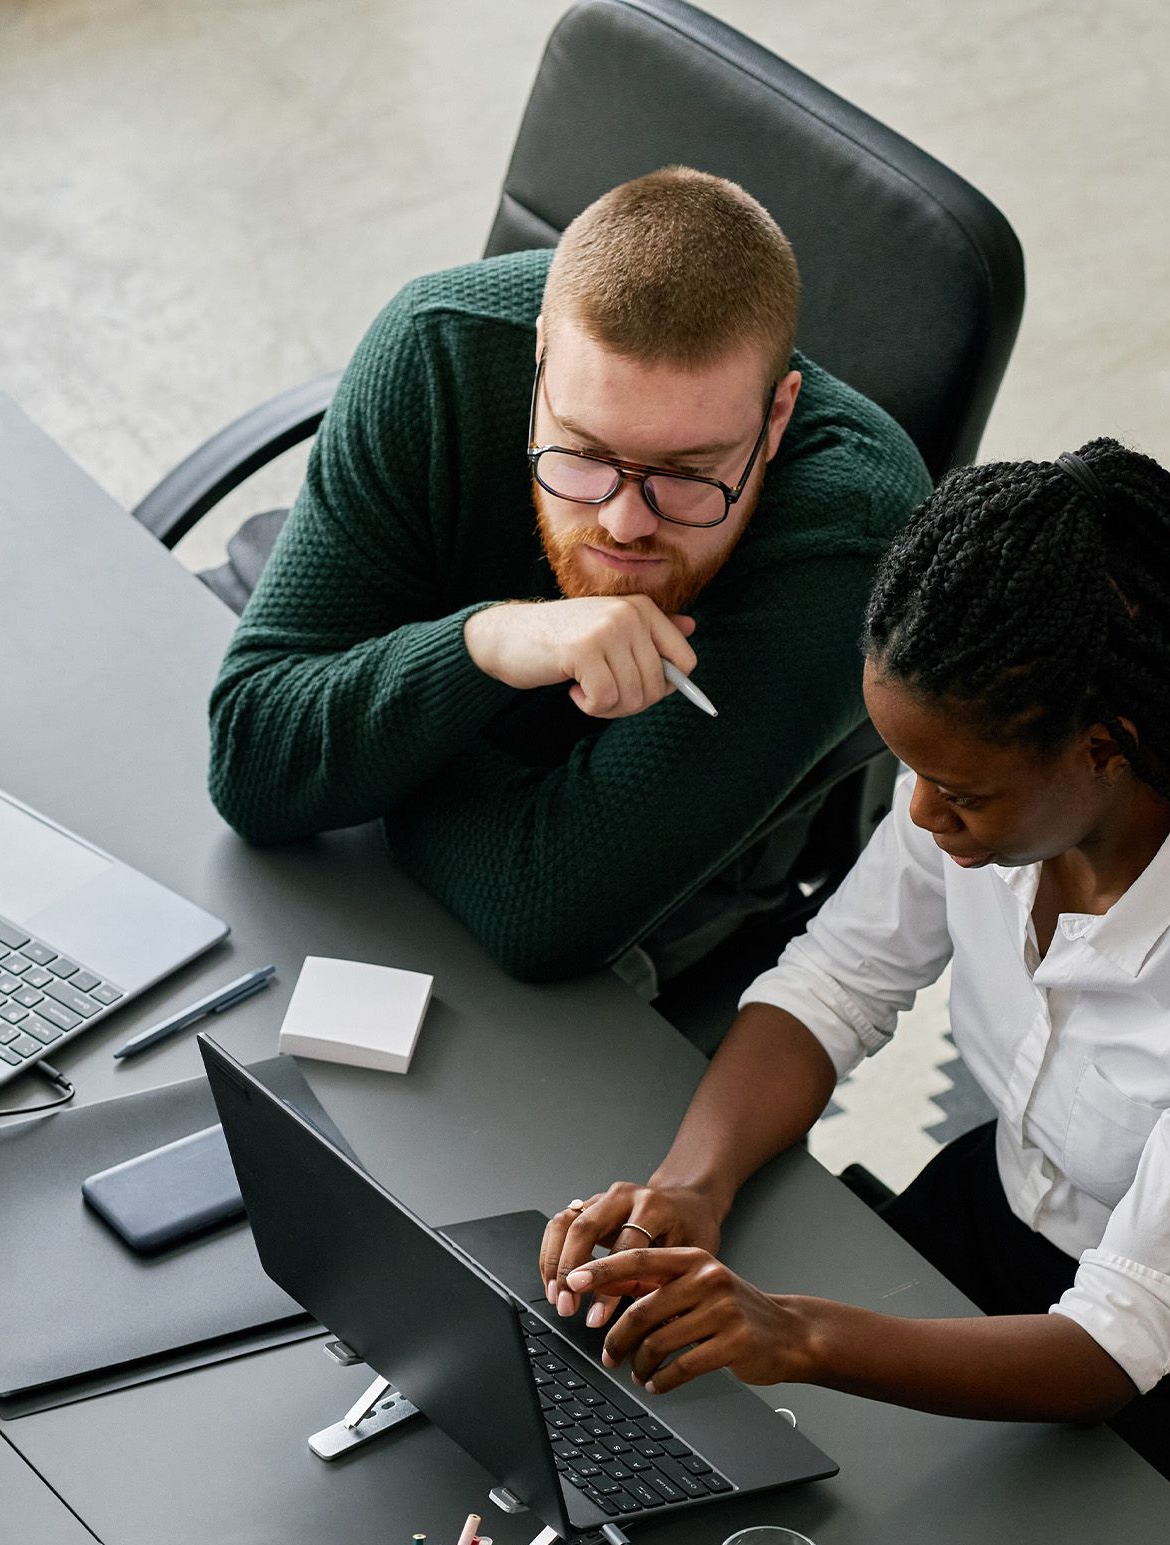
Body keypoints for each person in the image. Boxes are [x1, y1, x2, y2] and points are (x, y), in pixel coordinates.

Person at [534, 443, 1170, 1511]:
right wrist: (690, 1186)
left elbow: (1120, 1338)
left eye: (959, 790)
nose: (919, 814)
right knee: (730, 1467)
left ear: (1109, 747)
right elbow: (834, 986)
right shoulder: (984, 796)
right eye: (911, 770)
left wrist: (797, 1333)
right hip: (1007, 1218)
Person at [206, 167, 931, 984]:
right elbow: (252, 758)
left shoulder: (858, 527)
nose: (625, 523)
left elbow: (538, 907)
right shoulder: (437, 343)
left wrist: (370, 759)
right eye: (584, 455)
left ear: (776, 415)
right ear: (541, 356)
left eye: (689, 473)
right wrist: (484, 643)